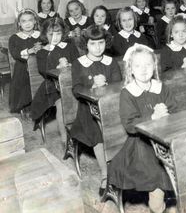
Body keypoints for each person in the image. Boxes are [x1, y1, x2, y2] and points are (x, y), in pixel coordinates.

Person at [108, 44, 176, 213]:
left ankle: (167, 200)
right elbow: (129, 124)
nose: (144, 69)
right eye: (138, 65)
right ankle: (158, 203)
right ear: (130, 69)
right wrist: (152, 117)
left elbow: (175, 110)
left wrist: (167, 112)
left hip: (165, 139)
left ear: (154, 66)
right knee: (156, 177)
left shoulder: (161, 87)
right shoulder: (128, 93)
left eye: (148, 65)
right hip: (141, 145)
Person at [69, 25, 122, 195]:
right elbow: (76, 89)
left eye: (101, 43)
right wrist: (92, 86)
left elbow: (118, 86)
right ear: (86, 44)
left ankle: (123, 168)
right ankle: (105, 174)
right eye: (93, 44)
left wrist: (106, 84)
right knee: (97, 130)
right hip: (87, 109)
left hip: (110, 106)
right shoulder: (79, 63)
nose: (98, 47)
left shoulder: (110, 61)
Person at [30, 18, 79, 141]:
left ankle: (80, 132)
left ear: (63, 33)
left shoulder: (70, 46)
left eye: (58, 33)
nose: (55, 37)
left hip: (72, 81)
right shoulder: (42, 52)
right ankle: (65, 139)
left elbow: (78, 64)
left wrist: (70, 66)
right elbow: (43, 71)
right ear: (45, 35)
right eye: (51, 34)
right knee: (62, 104)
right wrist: (58, 68)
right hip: (52, 85)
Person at [8, 8, 42, 113]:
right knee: (23, 81)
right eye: (23, 21)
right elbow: (15, 54)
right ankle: (25, 105)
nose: (27, 23)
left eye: (30, 20)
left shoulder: (40, 35)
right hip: (23, 67)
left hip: (40, 65)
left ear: (35, 21)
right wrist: (30, 51)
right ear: (19, 24)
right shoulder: (15, 38)